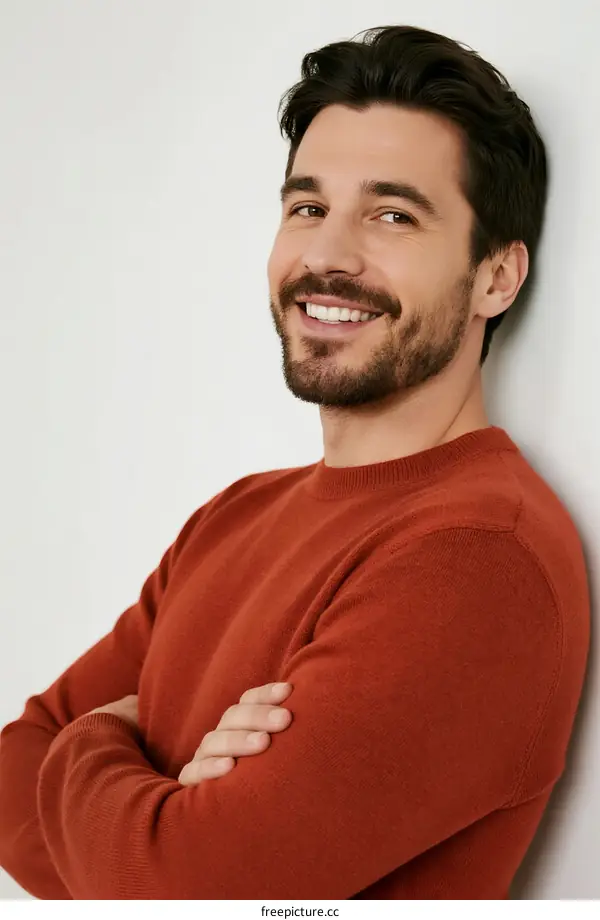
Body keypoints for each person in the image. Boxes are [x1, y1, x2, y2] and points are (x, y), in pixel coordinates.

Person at [0, 24, 590, 900]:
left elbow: (180, 894)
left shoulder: (477, 553)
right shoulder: (235, 516)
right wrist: (145, 790)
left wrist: (99, 737)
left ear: (497, 278)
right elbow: (12, 774)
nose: (327, 256)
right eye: (307, 207)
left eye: (393, 215)